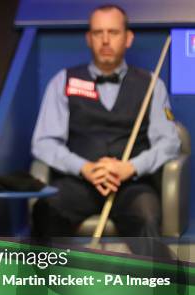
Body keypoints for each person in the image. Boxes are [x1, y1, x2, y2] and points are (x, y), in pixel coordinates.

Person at [31, 4, 181, 242]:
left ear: (128, 38)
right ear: (89, 39)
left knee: (146, 216)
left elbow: (169, 142)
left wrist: (130, 168)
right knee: (46, 210)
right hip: (78, 182)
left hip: (132, 184)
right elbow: (44, 143)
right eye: (98, 33)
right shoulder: (63, 81)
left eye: (113, 32)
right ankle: (42, 279)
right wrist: (85, 168)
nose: (105, 40)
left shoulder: (152, 84)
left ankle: (159, 279)